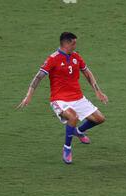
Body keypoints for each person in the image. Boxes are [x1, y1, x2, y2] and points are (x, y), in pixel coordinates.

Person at [17, 32, 109, 164]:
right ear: (66, 43)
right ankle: (67, 148)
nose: (75, 45)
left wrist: (98, 91)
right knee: (73, 117)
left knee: (100, 119)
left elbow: (87, 73)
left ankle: (78, 131)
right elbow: (38, 77)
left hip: (78, 98)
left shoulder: (76, 56)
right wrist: (29, 95)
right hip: (60, 99)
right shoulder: (53, 59)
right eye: (73, 43)